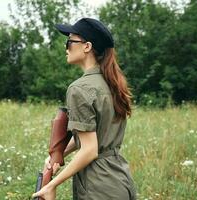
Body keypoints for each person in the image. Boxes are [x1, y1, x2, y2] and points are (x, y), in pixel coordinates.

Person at [32, 18, 136, 200]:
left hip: (98, 187)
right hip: (120, 180)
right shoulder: (112, 84)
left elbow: (89, 149)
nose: (66, 48)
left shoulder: (79, 89)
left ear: (87, 46)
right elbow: (90, 136)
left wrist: (51, 185)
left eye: (70, 42)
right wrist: (60, 154)